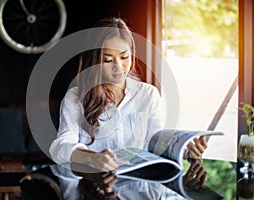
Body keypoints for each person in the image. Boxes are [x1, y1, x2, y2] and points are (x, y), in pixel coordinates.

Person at [49, 17, 207, 192]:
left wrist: (184, 150)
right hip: (92, 190)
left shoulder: (148, 94)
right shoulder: (76, 97)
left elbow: (154, 143)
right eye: (108, 60)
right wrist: (92, 158)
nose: (119, 67)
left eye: (124, 57)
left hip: (139, 189)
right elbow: (60, 147)